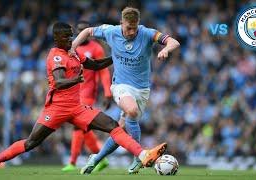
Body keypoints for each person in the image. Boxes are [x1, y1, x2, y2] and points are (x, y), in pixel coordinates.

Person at [0, 22, 167, 174]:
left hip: (77, 107)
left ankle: (142, 154)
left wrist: (115, 57)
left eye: (71, 36)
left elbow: (96, 65)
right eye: (67, 37)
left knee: (112, 125)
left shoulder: (73, 53)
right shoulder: (56, 56)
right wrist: (77, 79)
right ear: (57, 38)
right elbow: (58, 82)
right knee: (31, 142)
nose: (71, 40)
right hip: (56, 108)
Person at [71, 7, 180, 174]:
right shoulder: (110, 31)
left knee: (120, 131)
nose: (132, 32)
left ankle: (96, 159)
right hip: (120, 85)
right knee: (132, 110)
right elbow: (87, 31)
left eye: (134, 27)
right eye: (128, 28)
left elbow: (174, 42)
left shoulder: (147, 33)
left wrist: (165, 49)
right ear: (121, 23)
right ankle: (139, 157)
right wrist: (72, 47)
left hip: (142, 90)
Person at [61, 21, 112, 172]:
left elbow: (103, 71)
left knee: (78, 125)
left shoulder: (95, 48)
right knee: (83, 127)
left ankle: (72, 162)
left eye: (86, 30)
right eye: (80, 30)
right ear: (77, 31)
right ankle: (100, 158)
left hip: (88, 93)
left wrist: (108, 92)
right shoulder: (72, 49)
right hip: (74, 93)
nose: (83, 33)